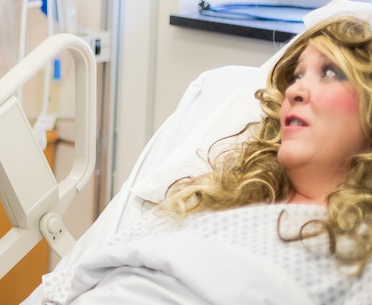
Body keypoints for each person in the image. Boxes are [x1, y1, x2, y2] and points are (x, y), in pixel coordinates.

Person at [40, 15, 372, 304]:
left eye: (330, 72)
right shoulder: (220, 198)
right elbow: (86, 272)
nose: (295, 91)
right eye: (297, 76)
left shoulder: (359, 249)